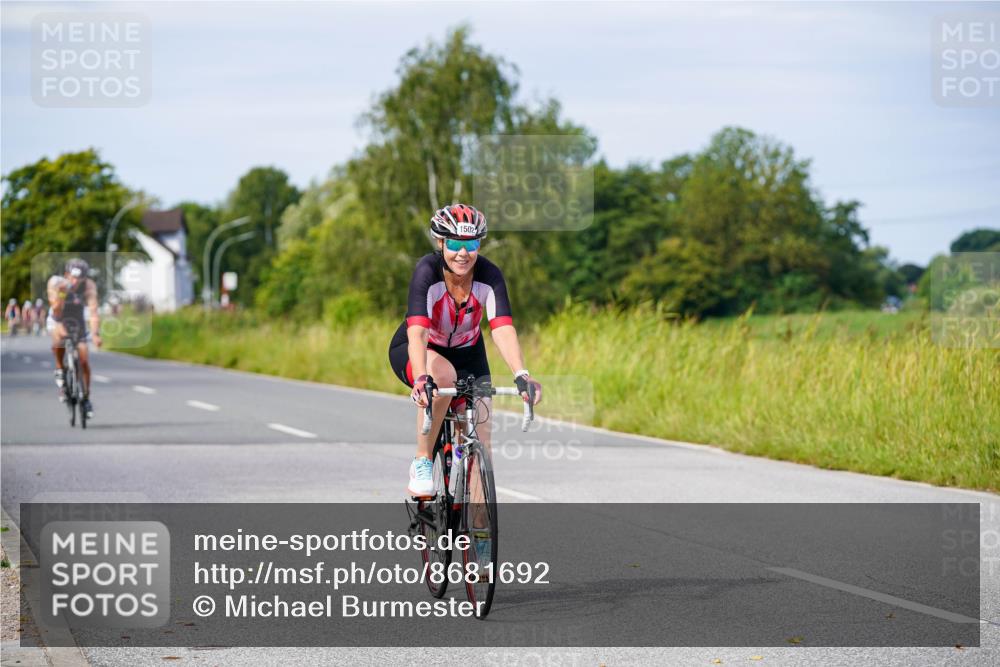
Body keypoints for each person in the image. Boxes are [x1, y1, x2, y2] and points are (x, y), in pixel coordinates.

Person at [388, 204, 542, 498]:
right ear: (441, 243)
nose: (463, 253)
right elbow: (418, 331)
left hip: (469, 353)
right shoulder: (427, 271)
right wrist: (422, 378)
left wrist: (522, 374)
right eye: (455, 244)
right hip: (420, 348)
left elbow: (502, 327)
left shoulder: (489, 275)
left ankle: (478, 531)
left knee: (481, 440)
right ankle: (422, 460)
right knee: (443, 376)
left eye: (470, 244)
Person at [47, 258, 102, 417]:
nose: (75, 281)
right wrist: (63, 293)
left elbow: (93, 312)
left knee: (84, 359)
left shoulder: (89, 286)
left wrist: (95, 334)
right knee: (59, 340)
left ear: (85, 278)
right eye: (72, 276)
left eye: (80, 277)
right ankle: (60, 369)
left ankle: (85, 397)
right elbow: (56, 311)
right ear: (66, 274)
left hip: (77, 319)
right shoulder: (55, 283)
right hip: (59, 318)